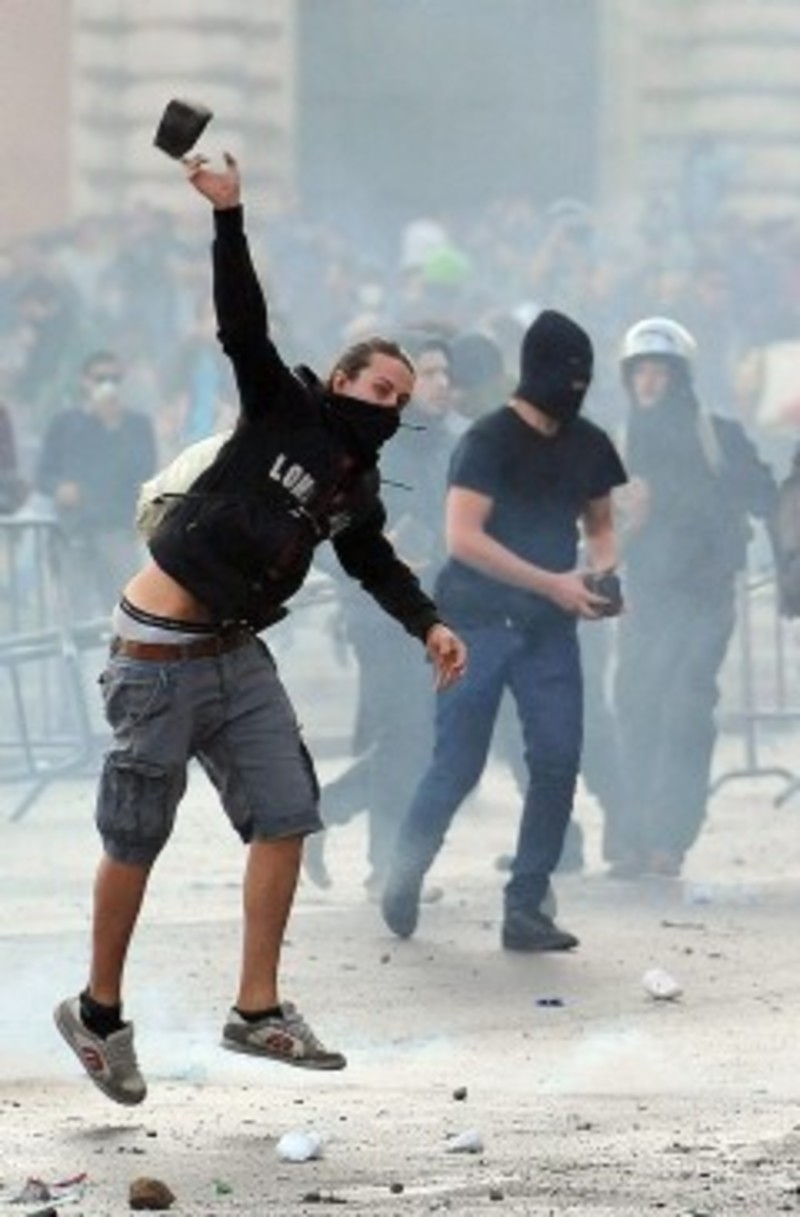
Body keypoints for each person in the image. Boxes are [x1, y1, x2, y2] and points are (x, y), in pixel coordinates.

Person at [53, 152, 466, 1107]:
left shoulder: (357, 485)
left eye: (402, 402)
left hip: (238, 654)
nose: (390, 408)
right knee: (135, 838)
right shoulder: (283, 410)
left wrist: (429, 625)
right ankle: (99, 1014)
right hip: (156, 655)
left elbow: (371, 559)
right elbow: (243, 325)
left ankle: (258, 1008)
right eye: (379, 389)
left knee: (287, 814)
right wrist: (229, 216)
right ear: (342, 381)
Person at [381, 309, 627, 952]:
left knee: (557, 760)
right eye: (565, 377)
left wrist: (604, 574)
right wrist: (554, 583)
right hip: (476, 621)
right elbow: (464, 538)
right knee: (457, 763)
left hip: (548, 631)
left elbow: (601, 524)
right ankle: (404, 871)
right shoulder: (487, 441)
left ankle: (526, 906)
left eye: (583, 380)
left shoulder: (589, 442)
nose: (573, 391)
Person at [610, 316, 777, 878]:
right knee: (635, 707)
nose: (649, 382)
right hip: (644, 602)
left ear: (679, 377)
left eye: (660, 371)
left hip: (706, 600)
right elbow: (594, 524)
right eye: (641, 371)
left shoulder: (716, 434)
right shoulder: (619, 444)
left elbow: (765, 495)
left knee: (684, 710)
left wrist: (726, 505)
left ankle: (669, 840)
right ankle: (632, 837)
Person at [304, 330, 464, 894]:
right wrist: (377, 556)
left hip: (434, 611)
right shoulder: (369, 445)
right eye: (428, 375)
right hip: (378, 615)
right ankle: (386, 866)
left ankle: (328, 818)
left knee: (413, 740)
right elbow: (318, 536)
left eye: (445, 373)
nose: (441, 384)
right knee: (407, 738)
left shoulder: (448, 444)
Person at [36, 350, 157, 617]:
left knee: (122, 609)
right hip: (72, 529)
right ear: (85, 381)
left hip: (116, 529)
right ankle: (77, 647)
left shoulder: (137, 425)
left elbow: (144, 470)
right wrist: (58, 488)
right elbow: (43, 473)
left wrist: (114, 426)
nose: (108, 385)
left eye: (115, 379)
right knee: (74, 611)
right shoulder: (65, 422)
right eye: (100, 378)